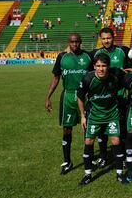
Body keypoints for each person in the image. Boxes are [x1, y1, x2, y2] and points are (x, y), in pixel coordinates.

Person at [45, 33, 92, 175]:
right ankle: (67, 161)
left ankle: (89, 160)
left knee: (87, 130)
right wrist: (48, 97)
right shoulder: (62, 57)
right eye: (72, 42)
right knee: (67, 130)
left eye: (77, 41)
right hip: (68, 96)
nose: (75, 44)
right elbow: (56, 78)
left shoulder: (89, 56)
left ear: (81, 42)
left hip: (85, 97)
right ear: (68, 42)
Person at [77, 53, 125, 185]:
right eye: (98, 66)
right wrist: (82, 116)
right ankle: (87, 174)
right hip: (94, 115)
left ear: (108, 66)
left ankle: (120, 174)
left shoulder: (115, 75)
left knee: (116, 140)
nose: (101, 69)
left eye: (104, 66)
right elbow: (80, 97)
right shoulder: (87, 79)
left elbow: (128, 74)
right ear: (94, 66)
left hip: (112, 114)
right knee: (88, 141)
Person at [90, 27, 132, 168]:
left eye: (108, 38)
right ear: (100, 39)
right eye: (103, 38)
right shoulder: (96, 54)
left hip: (120, 96)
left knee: (121, 129)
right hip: (103, 98)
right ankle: (103, 157)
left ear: (113, 37)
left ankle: (125, 157)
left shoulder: (123, 51)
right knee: (102, 131)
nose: (106, 41)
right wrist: (68, 50)